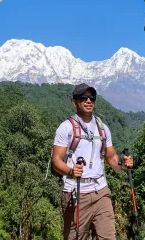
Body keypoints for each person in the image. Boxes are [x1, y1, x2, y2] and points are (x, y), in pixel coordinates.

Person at [52, 83, 133, 240]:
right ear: (74, 102)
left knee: (109, 237)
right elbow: (56, 160)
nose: (89, 101)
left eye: (92, 98)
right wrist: (70, 170)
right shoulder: (66, 128)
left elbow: (111, 158)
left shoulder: (102, 128)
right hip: (76, 192)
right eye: (84, 98)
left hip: (101, 191)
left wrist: (123, 163)